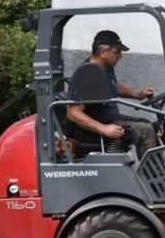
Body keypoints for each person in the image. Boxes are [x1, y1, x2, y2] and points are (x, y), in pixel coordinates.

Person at [67, 30, 157, 159]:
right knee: (145, 130)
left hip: (111, 119)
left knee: (148, 123)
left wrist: (137, 94)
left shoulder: (106, 68)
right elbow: (73, 113)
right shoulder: (88, 73)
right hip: (92, 130)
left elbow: (114, 85)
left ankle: (157, 167)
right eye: (117, 51)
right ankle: (153, 171)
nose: (120, 56)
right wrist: (103, 128)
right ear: (103, 52)